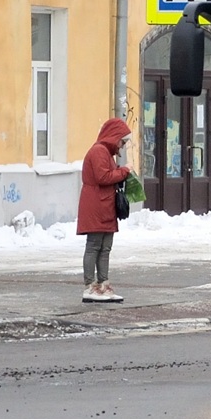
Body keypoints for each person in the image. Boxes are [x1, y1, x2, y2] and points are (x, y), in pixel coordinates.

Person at [77, 117, 134, 303]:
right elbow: (103, 177)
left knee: (105, 247)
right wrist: (124, 171)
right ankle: (90, 286)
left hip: (105, 205)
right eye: (122, 141)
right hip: (97, 205)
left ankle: (103, 285)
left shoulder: (105, 153)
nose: (122, 146)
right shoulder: (99, 151)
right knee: (94, 246)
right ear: (114, 136)